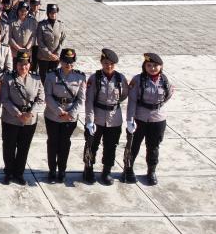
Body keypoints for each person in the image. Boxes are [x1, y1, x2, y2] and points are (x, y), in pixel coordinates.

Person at [125, 52, 174, 185]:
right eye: (149, 65)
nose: (152, 68)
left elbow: (169, 94)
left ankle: (151, 171)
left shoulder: (164, 80)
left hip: (158, 119)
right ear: (144, 66)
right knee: (133, 146)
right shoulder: (138, 80)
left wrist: (158, 106)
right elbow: (132, 101)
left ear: (161, 66)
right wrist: (130, 119)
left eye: (155, 65)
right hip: (140, 118)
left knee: (153, 147)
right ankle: (128, 169)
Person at [82, 48, 128, 185]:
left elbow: (124, 94)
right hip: (97, 117)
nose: (109, 66)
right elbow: (89, 101)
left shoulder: (120, 78)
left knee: (111, 146)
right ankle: (88, 167)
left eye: (111, 64)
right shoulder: (94, 78)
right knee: (92, 145)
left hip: (114, 119)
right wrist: (89, 121)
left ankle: (106, 171)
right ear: (101, 63)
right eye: (106, 63)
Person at [0, 49, 44, 185]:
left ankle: (19, 173)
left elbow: (41, 98)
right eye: (20, 64)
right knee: (9, 147)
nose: (23, 67)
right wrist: (18, 114)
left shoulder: (36, 78)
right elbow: (4, 99)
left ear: (29, 64)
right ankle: (8, 172)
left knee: (24, 147)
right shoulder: (8, 78)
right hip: (11, 118)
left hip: (29, 119)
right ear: (16, 64)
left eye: (25, 64)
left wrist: (29, 113)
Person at [43, 48, 86, 183]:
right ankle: (52, 169)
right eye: (66, 62)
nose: (69, 65)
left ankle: (62, 169)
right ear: (60, 61)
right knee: (52, 142)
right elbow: (48, 96)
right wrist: (58, 111)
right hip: (53, 115)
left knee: (64, 143)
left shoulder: (80, 77)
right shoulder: (51, 76)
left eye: (71, 62)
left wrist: (71, 113)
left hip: (70, 116)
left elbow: (81, 99)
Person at [36, 4, 66, 82]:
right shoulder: (42, 24)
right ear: (48, 13)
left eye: (55, 13)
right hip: (43, 57)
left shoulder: (60, 24)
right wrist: (49, 54)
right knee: (43, 78)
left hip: (55, 57)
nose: (53, 15)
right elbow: (40, 41)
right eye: (51, 13)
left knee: (53, 78)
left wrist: (57, 53)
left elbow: (63, 40)